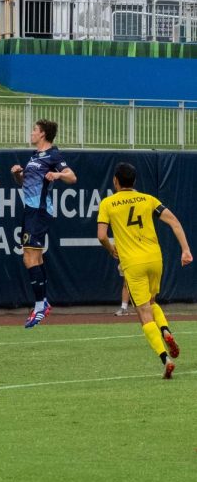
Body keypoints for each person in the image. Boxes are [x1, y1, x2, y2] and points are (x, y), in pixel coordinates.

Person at [96, 162, 193, 379]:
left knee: (143, 313)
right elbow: (174, 222)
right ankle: (166, 330)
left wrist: (112, 250)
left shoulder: (108, 203)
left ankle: (165, 359)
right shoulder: (148, 199)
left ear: (115, 181)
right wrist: (185, 250)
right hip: (155, 259)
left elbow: (101, 235)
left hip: (133, 263)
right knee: (152, 302)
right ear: (135, 181)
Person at [10, 120, 77, 328]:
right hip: (30, 210)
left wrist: (58, 174)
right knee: (33, 257)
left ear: (43, 134)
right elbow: (24, 183)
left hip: (39, 211)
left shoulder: (53, 155)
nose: (31, 133)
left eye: (34, 130)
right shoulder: (34, 156)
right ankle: (43, 302)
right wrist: (17, 175)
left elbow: (72, 177)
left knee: (29, 258)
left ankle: (39, 305)